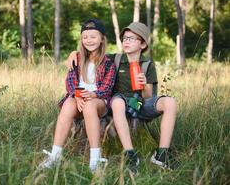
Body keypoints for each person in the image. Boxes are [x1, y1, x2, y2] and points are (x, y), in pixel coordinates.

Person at [67, 22, 179, 173]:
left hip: (139, 103)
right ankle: (130, 154)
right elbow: (91, 53)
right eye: (124, 38)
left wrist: (144, 84)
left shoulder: (147, 64)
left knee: (170, 102)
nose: (126, 41)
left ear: (143, 44)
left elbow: (147, 97)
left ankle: (162, 154)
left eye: (131, 38)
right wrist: (74, 53)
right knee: (118, 102)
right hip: (118, 101)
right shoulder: (115, 59)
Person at [39, 18, 116, 171]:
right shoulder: (77, 59)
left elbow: (107, 89)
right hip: (78, 98)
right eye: (85, 37)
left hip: (97, 100)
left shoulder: (108, 63)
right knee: (67, 104)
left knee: (89, 107)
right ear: (81, 40)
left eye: (93, 36)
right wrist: (77, 95)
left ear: (101, 39)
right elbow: (70, 82)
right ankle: (55, 155)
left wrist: (91, 96)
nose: (89, 40)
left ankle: (95, 159)